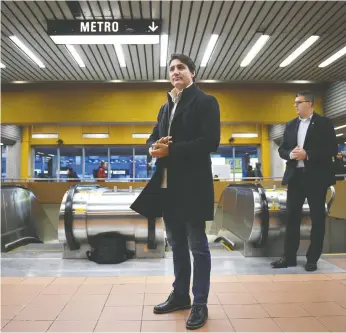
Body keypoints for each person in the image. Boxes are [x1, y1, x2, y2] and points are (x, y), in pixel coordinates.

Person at [131, 54, 220, 330]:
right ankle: (181, 295)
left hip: (193, 186)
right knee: (177, 244)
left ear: (192, 72)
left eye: (181, 67)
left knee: (197, 245)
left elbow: (210, 141)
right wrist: (152, 146)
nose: (175, 71)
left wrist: (173, 149)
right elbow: (153, 135)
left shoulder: (205, 102)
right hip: (169, 186)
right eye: (171, 68)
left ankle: (200, 303)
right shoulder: (165, 107)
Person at [271, 90, 338, 272]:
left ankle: (312, 259)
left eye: (298, 102)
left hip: (316, 178)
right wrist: (290, 154)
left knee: (317, 218)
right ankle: (289, 257)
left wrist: (307, 155)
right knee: (291, 217)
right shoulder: (291, 125)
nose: (295, 105)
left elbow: (331, 149)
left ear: (309, 103)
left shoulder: (324, 123)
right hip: (296, 177)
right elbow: (282, 149)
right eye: (294, 102)